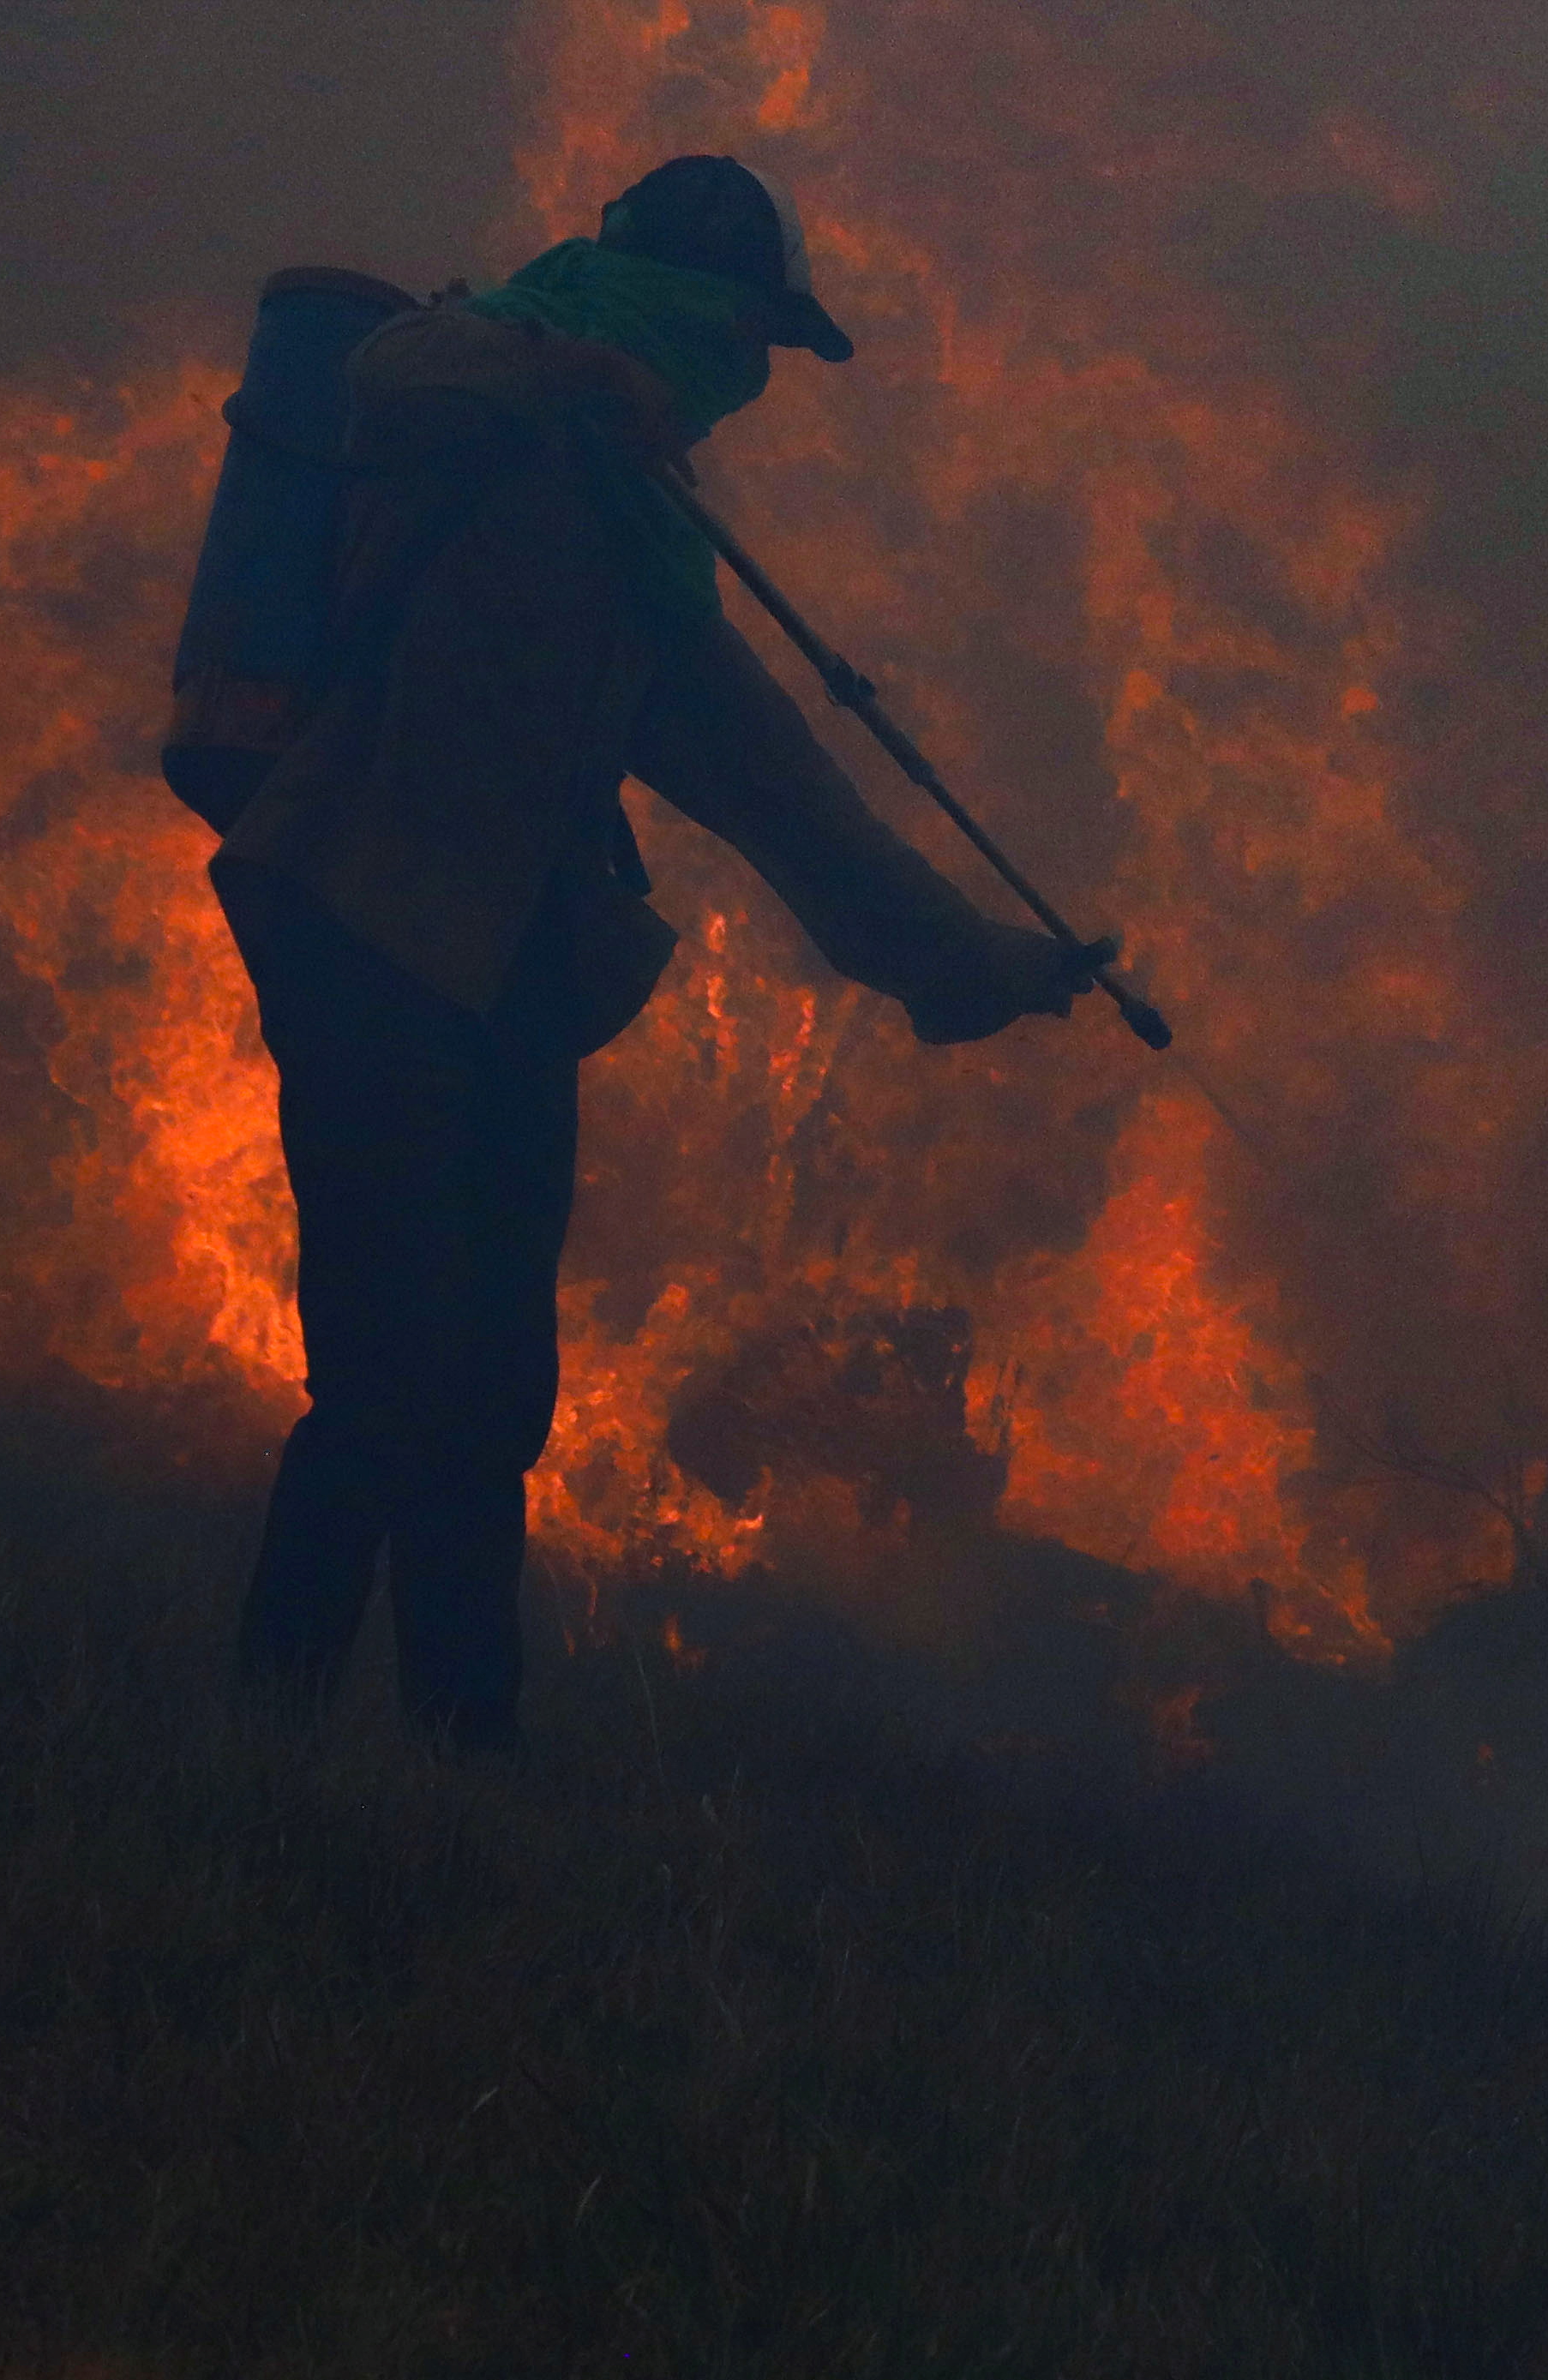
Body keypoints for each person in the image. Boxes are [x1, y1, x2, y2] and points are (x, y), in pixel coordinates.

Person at [165, 153, 1106, 1749]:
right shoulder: (489, 402)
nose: (742, 380)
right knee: (386, 1380)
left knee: (492, 1400)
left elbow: (797, 806)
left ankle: (465, 1759)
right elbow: (400, 368)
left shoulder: (645, 554)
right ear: (693, 312)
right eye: (740, 336)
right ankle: (265, 1735)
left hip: (511, 973)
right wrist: (570, 371)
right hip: (361, 918)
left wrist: (986, 966)